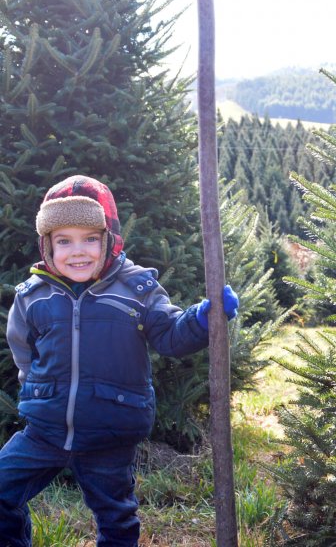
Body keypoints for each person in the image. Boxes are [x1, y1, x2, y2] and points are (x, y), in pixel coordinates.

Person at [0, 175, 238, 547]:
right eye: (64, 241)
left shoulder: (136, 289)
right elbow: (24, 352)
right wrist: (40, 393)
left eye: (90, 239)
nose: (77, 251)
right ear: (47, 246)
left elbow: (170, 335)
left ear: (108, 240)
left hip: (110, 431)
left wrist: (201, 320)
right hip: (44, 430)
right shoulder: (34, 296)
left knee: (116, 517)